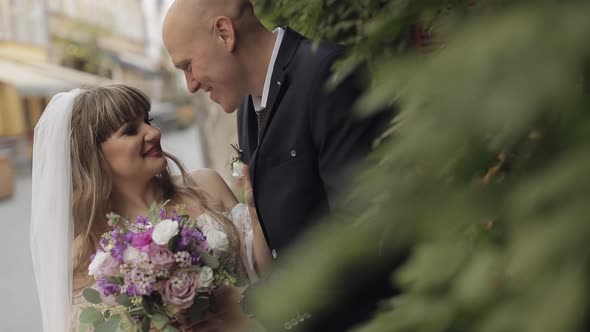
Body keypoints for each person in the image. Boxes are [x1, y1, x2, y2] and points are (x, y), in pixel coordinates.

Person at [162, 0, 394, 330]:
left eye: (188, 65)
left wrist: (254, 306)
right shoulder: (246, 107)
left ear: (224, 33)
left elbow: (360, 227)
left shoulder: (328, 74)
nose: (191, 84)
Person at [30, 85, 272, 332]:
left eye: (148, 120)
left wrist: (254, 213)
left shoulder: (206, 185)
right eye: (131, 130)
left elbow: (270, 275)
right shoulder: (82, 255)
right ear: (94, 155)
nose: (154, 132)